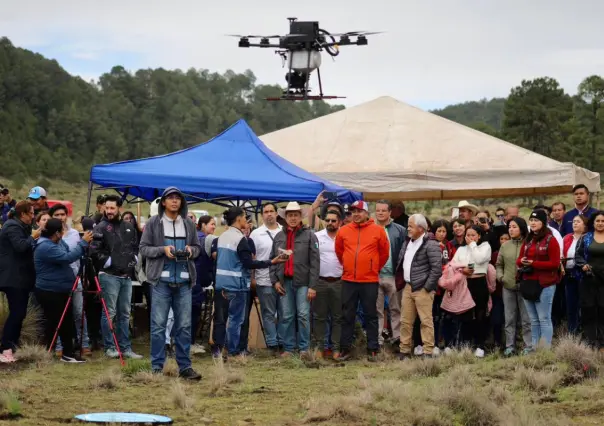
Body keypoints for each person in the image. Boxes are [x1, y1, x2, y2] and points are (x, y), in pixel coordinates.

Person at [139, 187, 202, 380]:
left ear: (182, 202)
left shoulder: (189, 224)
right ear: (163, 202)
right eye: (170, 198)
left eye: (178, 198)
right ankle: (157, 367)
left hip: (183, 282)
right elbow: (143, 249)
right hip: (160, 282)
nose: (174, 201)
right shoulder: (153, 223)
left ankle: (185, 368)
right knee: (158, 325)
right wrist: (162, 249)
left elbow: (198, 249)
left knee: (184, 326)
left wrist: (191, 251)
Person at [213, 207, 286, 360]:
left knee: (220, 319)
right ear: (238, 219)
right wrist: (271, 261)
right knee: (235, 320)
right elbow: (248, 263)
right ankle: (233, 352)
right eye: (245, 217)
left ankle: (219, 351)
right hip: (237, 285)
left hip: (220, 284)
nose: (246, 220)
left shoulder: (222, 236)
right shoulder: (241, 239)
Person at [90, 194, 143, 360]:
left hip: (126, 276)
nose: (109, 211)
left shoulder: (128, 227)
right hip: (109, 275)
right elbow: (94, 250)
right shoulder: (100, 227)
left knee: (125, 313)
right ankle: (110, 347)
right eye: (107, 208)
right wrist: (108, 262)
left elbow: (135, 246)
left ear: (119, 208)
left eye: (112, 208)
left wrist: (133, 259)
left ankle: (125, 347)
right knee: (109, 312)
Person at [335, 200, 389, 362]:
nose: (356, 214)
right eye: (353, 212)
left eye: (359, 211)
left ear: (366, 213)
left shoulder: (378, 231)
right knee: (347, 315)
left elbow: (384, 253)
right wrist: (348, 266)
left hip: (369, 280)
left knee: (370, 314)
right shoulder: (343, 230)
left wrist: (372, 268)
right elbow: (339, 252)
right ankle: (346, 349)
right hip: (349, 280)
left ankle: (373, 349)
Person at [34, 218, 92, 363]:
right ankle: (59, 352)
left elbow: (67, 251)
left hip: (60, 289)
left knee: (66, 322)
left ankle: (67, 353)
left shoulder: (56, 242)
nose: (64, 232)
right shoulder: (45, 246)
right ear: (57, 233)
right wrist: (83, 242)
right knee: (58, 323)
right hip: (50, 290)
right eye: (62, 230)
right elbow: (67, 257)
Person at [270, 202, 320, 358]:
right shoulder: (279, 236)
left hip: (303, 282)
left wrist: (313, 286)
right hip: (285, 281)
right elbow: (272, 260)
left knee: (303, 315)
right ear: (285, 217)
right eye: (290, 215)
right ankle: (289, 348)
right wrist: (275, 281)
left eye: (295, 215)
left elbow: (315, 262)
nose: (292, 218)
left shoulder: (310, 235)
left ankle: (304, 348)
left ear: (300, 217)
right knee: (287, 315)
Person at [396, 214, 443, 359]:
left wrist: (427, 288)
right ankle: (404, 351)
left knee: (426, 321)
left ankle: (428, 351)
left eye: (410, 226)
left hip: (423, 288)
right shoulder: (407, 242)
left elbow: (437, 269)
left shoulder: (431, 244)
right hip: (408, 287)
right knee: (405, 321)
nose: (408, 228)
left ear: (421, 228)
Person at [516, 210, 561, 351]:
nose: (533, 223)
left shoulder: (550, 240)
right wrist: (521, 261)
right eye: (531, 220)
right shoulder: (528, 240)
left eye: (536, 221)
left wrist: (533, 263)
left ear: (543, 223)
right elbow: (519, 260)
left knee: (544, 319)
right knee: (533, 320)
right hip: (528, 283)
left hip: (545, 284)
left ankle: (545, 350)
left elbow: (554, 263)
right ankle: (534, 349)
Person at [50, 203, 91, 357]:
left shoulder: (75, 233)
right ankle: (60, 345)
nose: (61, 218)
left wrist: (84, 274)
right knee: (61, 313)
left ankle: (84, 343)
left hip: (76, 278)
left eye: (63, 214)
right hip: (59, 280)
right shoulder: (51, 236)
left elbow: (81, 256)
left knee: (79, 312)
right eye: (57, 215)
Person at [0, 201, 38, 363]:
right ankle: (5, 348)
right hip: (12, 277)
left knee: (20, 312)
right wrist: (33, 237)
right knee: (16, 313)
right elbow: (20, 246)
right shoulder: (12, 226)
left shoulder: (19, 226)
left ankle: (11, 346)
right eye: (31, 213)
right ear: (23, 214)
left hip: (21, 278)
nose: (33, 216)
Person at [450, 225, 492, 357]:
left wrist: (473, 245)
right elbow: (453, 264)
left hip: (479, 282)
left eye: (473, 235)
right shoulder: (461, 249)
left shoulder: (485, 246)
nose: (470, 238)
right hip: (465, 283)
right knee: (465, 314)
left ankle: (480, 345)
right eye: (468, 235)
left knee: (480, 315)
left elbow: (479, 259)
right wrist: (463, 270)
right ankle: (466, 344)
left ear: (479, 236)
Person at [249, 203, 283, 354]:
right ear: (262, 215)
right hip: (263, 280)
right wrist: (252, 278)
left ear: (277, 214)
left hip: (284, 279)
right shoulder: (255, 234)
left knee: (284, 313)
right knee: (268, 313)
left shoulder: (285, 231)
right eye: (266, 212)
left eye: (271, 211)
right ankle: (273, 344)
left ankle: (283, 342)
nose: (269, 214)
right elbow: (251, 258)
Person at [374, 200, 407, 349]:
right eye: (378, 210)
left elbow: (404, 252)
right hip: (375, 276)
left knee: (396, 308)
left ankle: (397, 338)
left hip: (393, 275)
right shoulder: (370, 229)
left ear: (389, 213)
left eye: (383, 210)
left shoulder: (399, 230)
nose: (380, 213)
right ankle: (378, 340)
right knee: (377, 309)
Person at [496, 217, 531, 356]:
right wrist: (501, 278)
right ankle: (510, 347)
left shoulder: (529, 244)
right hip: (508, 287)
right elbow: (499, 265)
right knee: (509, 318)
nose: (511, 229)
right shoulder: (505, 246)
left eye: (514, 227)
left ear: (522, 228)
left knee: (526, 319)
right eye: (510, 227)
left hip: (525, 287)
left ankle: (528, 346)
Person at [313, 210, 344, 360]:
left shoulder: (344, 236)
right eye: (328, 220)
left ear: (340, 222)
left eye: (333, 220)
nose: (330, 223)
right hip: (321, 282)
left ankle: (335, 349)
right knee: (320, 317)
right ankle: (320, 347)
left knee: (337, 317)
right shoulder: (317, 237)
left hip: (339, 282)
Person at [575, 211, 604, 349]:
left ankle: (602, 342)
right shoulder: (586, 238)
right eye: (597, 221)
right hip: (589, 279)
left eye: (603, 221)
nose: (600, 223)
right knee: (589, 310)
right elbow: (578, 256)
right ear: (593, 222)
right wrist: (583, 265)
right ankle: (590, 341)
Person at [562, 215, 588, 335]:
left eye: (578, 221)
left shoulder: (589, 238)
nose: (575, 224)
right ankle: (572, 332)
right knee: (571, 305)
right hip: (569, 275)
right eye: (573, 221)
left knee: (584, 305)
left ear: (585, 224)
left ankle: (585, 331)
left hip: (584, 275)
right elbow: (560, 253)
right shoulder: (567, 238)